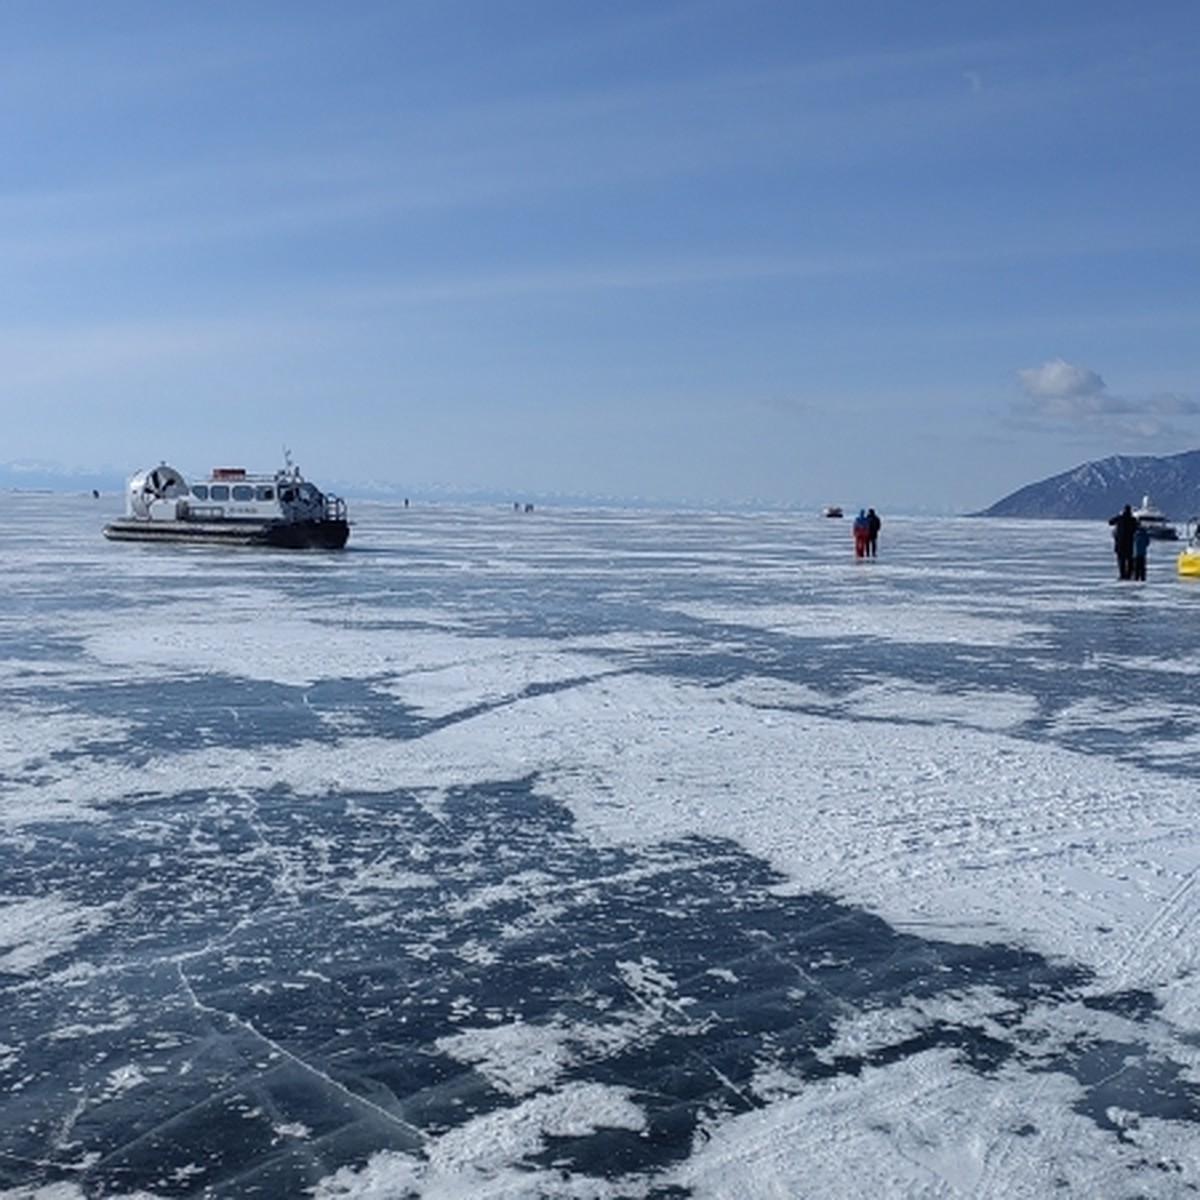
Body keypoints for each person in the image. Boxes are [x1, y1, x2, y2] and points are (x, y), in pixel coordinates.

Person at [1108, 504, 1138, 580]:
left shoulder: (1120, 518)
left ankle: (1122, 575)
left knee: (1121, 561)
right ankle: (1129, 575)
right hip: (1130, 544)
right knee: (1130, 560)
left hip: (1120, 544)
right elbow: (1137, 527)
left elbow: (1110, 522)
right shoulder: (1133, 520)